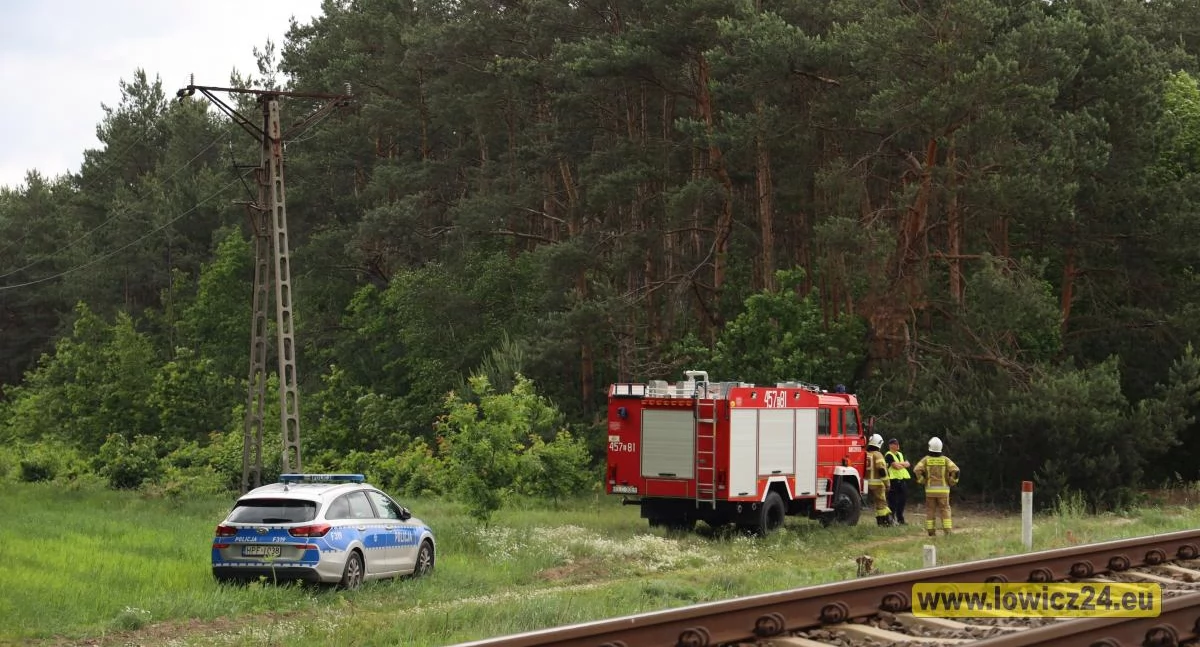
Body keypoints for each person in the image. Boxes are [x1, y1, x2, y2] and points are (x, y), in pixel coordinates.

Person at [913, 436, 960, 537]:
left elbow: (916, 470)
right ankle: (947, 532)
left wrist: (922, 481)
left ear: (930, 447)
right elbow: (956, 471)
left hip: (930, 491)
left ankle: (931, 532)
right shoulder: (945, 460)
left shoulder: (926, 460)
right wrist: (952, 481)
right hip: (944, 492)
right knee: (945, 510)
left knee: (930, 510)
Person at [865, 433, 894, 526]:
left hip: (866, 483)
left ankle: (882, 521)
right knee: (881, 503)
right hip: (877, 484)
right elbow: (881, 470)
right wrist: (887, 483)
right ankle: (884, 522)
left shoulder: (866, 454)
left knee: (878, 504)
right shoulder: (878, 455)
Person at [884, 438, 911, 525]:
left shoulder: (900, 454)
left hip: (902, 480)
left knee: (902, 501)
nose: (898, 445)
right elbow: (897, 467)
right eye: (896, 444)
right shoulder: (888, 455)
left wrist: (901, 464)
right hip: (893, 481)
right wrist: (903, 464)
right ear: (891, 445)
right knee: (892, 502)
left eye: (898, 443)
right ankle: (891, 520)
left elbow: (908, 464)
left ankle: (900, 519)